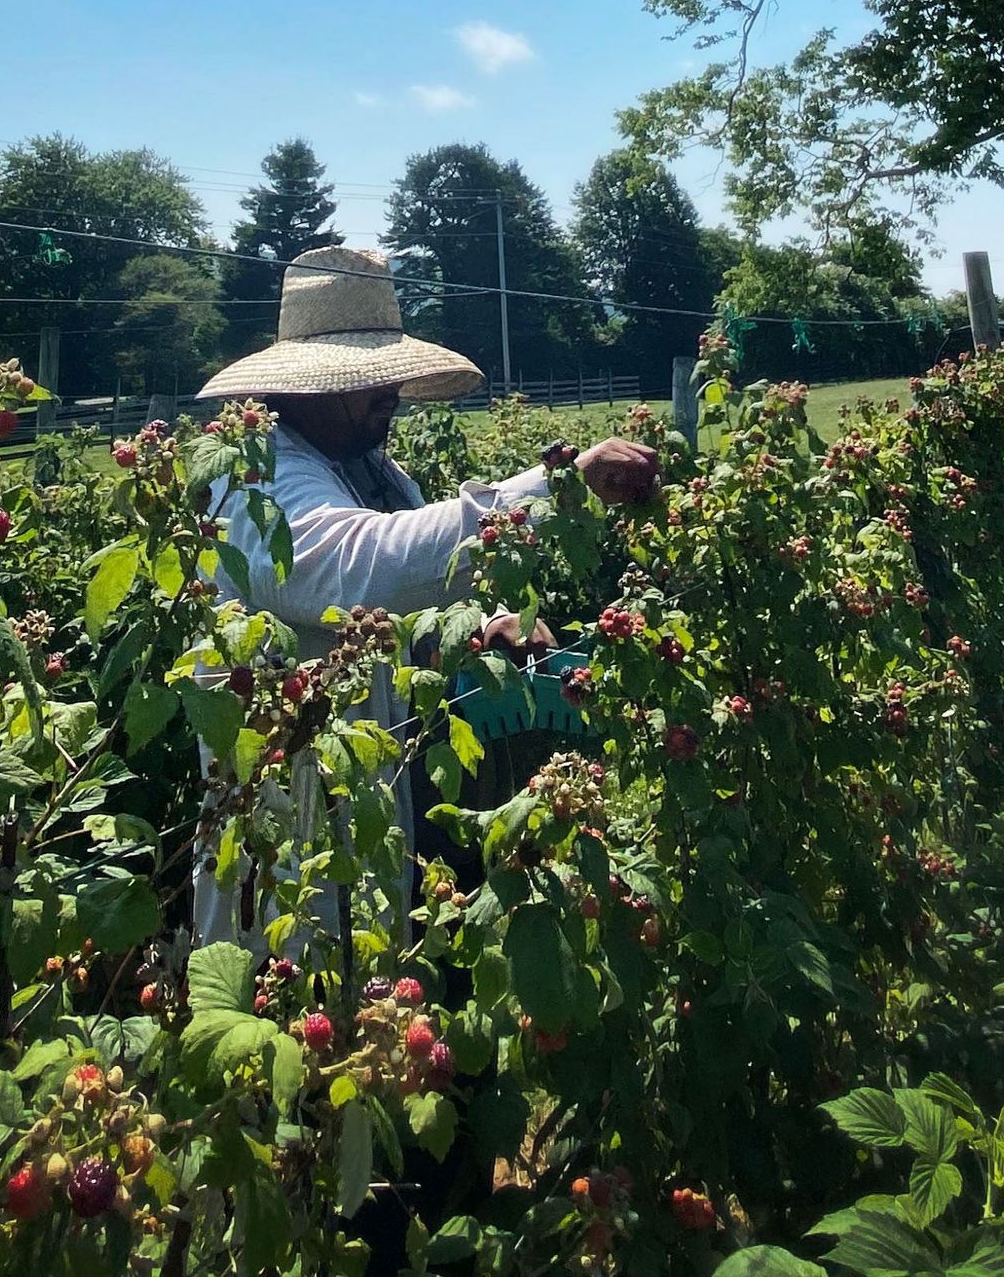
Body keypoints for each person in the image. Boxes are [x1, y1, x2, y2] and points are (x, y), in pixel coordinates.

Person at [190, 244, 655, 944]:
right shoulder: (256, 482)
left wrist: (487, 623)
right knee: (289, 974)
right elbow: (358, 568)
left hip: (368, 795)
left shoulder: (370, 469)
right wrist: (554, 486)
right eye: (368, 378)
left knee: (370, 971)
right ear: (304, 387)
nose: (391, 394)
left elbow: (417, 584)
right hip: (286, 815)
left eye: (390, 375)